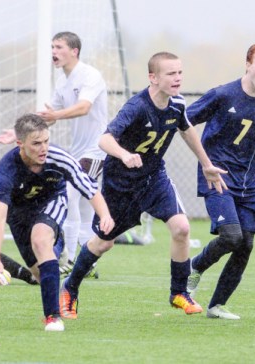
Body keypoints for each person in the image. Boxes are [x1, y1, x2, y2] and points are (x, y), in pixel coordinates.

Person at [58, 52, 227, 321]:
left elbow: (186, 129)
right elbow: (104, 140)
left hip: (154, 179)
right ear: (153, 78)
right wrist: (124, 155)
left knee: (182, 228)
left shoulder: (177, 104)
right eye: (171, 73)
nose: (178, 78)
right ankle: (70, 287)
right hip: (121, 185)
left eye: (180, 73)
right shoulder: (137, 107)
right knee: (103, 244)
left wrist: (206, 163)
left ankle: (179, 292)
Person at [184, 42, 255, 320]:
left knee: (245, 244)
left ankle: (216, 305)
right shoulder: (222, 95)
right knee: (231, 236)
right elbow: (185, 120)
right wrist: (204, 160)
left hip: (248, 183)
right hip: (216, 176)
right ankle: (195, 265)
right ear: (247, 65)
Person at [0, 114, 114, 332]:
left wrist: (105, 215)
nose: (43, 148)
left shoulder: (57, 157)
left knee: (41, 240)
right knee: (42, 276)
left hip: (52, 200)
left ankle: (52, 317)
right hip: (19, 215)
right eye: (36, 143)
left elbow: (87, 186)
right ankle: (57, 246)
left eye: (46, 141)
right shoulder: (6, 170)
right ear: (20, 144)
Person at [0, 31, 107, 277]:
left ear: (74, 51)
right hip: (78, 150)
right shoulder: (61, 81)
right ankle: (89, 263)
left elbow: (84, 107)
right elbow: (47, 117)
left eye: (59, 47)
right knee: (86, 211)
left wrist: (55, 115)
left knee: (69, 195)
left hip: (97, 149)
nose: (53, 52)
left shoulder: (91, 75)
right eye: (52, 47)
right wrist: (19, 132)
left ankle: (68, 259)